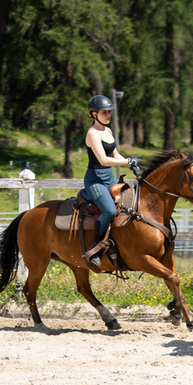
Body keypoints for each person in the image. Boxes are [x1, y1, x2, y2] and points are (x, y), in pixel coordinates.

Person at [82, 94, 140, 267]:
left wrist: (129, 163)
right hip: (95, 180)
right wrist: (127, 161)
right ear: (94, 114)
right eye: (104, 112)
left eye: (109, 112)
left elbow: (114, 154)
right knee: (108, 210)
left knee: (130, 202)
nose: (108, 115)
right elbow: (104, 160)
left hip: (109, 177)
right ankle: (95, 248)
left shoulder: (107, 131)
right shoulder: (92, 134)